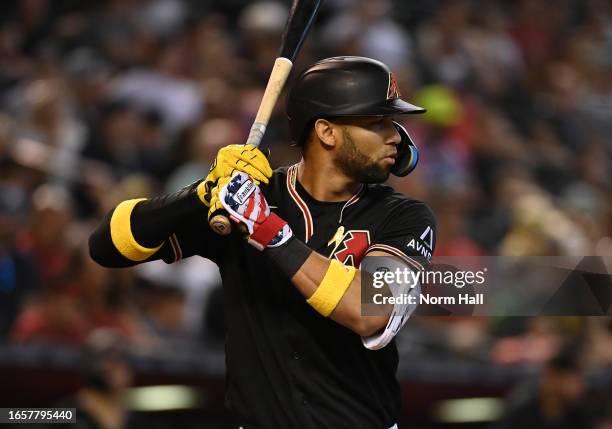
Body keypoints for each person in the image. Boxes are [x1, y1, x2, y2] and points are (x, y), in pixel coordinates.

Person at [89, 56, 436, 429]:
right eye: (378, 122)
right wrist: (201, 193)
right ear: (327, 132)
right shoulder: (248, 198)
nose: (396, 136)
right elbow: (106, 247)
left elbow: (370, 312)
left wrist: (268, 232)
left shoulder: (404, 216)